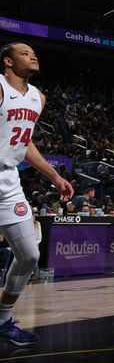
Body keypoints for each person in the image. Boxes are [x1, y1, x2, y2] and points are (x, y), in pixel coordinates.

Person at [0, 43, 74, 346]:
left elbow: (25, 141)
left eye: (34, 53)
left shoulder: (37, 97)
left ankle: (2, 321)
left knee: (29, 255)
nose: (33, 56)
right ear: (7, 60)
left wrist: (54, 175)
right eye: (24, 53)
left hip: (8, 180)